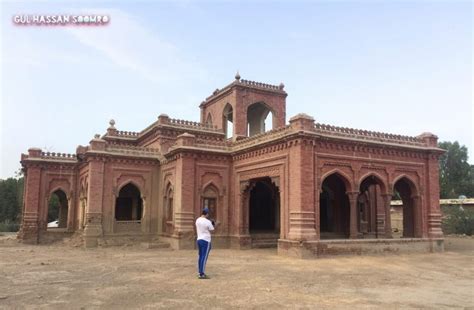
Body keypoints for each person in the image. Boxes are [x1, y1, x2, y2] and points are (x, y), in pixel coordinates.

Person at [195, 207, 215, 279]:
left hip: (199, 239)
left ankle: (199, 271)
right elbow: (212, 229)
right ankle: (202, 274)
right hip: (206, 240)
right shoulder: (207, 222)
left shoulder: (197, 220)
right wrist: (213, 224)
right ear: (206, 214)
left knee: (200, 256)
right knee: (204, 256)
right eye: (208, 214)